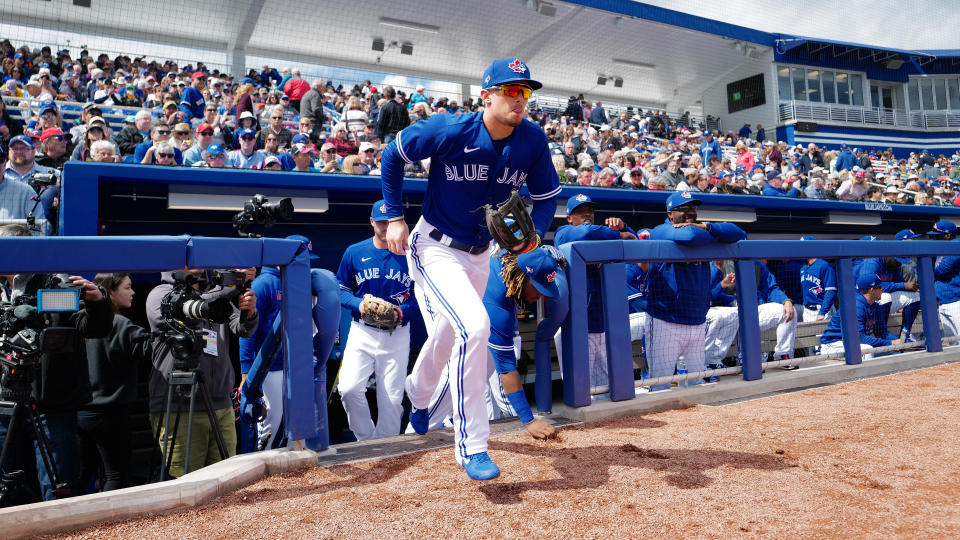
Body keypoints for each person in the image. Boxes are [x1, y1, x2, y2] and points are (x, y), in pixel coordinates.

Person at [379, 57, 560, 481]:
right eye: (510, 91)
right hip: (435, 245)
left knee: (449, 331)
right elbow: (392, 155)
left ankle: (420, 397)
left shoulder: (533, 140)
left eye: (525, 92)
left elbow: (549, 196)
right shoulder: (448, 128)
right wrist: (393, 215)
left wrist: (532, 239)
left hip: (482, 253)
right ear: (487, 94)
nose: (519, 99)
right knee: (474, 328)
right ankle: (471, 446)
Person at [0, 224, 114, 504]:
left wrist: (98, 301)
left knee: (58, 487)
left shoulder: (53, 286)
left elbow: (92, 327)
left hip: (50, 404)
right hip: (4, 402)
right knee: (8, 486)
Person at [146, 270, 258, 478]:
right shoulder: (160, 293)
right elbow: (185, 309)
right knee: (187, 485)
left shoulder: (214, 292)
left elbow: (240, 327)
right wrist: (228, 287)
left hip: (221, 406)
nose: (197, 260)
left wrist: (248, 312)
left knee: (226, 482)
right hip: (182, 405)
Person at [645, 192, 746, 391]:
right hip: (666, 321)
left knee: (695, 385)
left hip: (697, 322)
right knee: (660, 385)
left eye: (692, 208)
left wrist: (707, 226)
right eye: (683, 209)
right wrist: (709, 233)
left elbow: (738, 232)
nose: (690, 213)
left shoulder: (701, 230)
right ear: (670, 213)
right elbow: (689, 236)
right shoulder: (660, 230)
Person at [335, 202, 417, 441]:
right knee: (348, 389)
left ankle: (388, 449)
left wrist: (402, 312)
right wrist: (358, 304)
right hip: (363, 330)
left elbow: (421, 297)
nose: (384, 227)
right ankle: (366, 440)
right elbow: (340, 288)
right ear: (371, 222)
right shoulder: (354, 252)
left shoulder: (411, 255)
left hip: (397, 333)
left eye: (388, 222)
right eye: (380, 222)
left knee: (391, 400)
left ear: (398, 223)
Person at [553, 194, 636, 388]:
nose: (587, 214)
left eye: (590, 211)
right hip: (576, 328)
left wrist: (623, 228)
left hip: (604, 327)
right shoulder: (563, 232)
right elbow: (584, 233)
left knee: (613, 387)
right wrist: (616, 234)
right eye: (580, 212)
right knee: (580, 389)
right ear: (569, 217)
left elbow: (635, 241)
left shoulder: (603, 236)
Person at [78, 273, 151, 492]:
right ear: (110, 291)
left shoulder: (81, 320)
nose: (133, 292)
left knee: (82, 476)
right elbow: (150, 350)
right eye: (128, 287)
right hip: (111, 414)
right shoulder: (120, 323)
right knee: (117, 476)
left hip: (81, 413)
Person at [819, 273, 900, 357]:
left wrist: (898, 342)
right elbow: (859, 338)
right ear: (871, 290)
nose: (882, 289)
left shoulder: (873, 305)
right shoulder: (855, 306)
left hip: (850, 344)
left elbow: (882, 331)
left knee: (894, 351)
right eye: (879, 287)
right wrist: (890, 343)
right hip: (833, 344)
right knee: (867, 350)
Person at [927, 221, 960, 336]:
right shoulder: (943, 249)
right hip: (944, 302)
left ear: (947, 235)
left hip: (956, 302)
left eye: (937, 235)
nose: (934, 238)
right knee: (952, 345)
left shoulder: (956, 245)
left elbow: (939, 271)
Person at [798, 236, 838, 321]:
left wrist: (822, 312)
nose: (801, 249)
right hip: (807, 311)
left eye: (803, 246)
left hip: (822, 310)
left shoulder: (824, 265)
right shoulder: (803, 268)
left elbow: (831, 291)